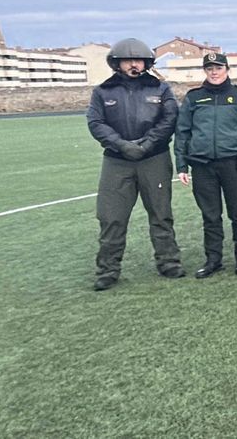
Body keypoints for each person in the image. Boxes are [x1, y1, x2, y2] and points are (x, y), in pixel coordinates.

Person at [86, 38, 185, 290]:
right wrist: (122, 145)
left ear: (146, 63)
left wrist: (147, 144)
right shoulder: (102, 92)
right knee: (111, 217)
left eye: (138, 60)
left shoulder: (161, 89)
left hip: (154, 158)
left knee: (161, 214)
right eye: (127, 60)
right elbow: (96, 123)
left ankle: (168, 261)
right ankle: (108, 269)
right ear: (116, 63)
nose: (133, 64)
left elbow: (170, 119)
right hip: (117, 162)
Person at [175, 52, 237, 278]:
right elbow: (182, 132)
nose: (214, 72)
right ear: (205, 71)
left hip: (234, 163)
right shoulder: (194, 98)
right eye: (210, 68)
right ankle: (213, 260)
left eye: (218, 68)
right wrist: (181, 165)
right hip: (202, 165)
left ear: (227, 69)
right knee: (210, 216)